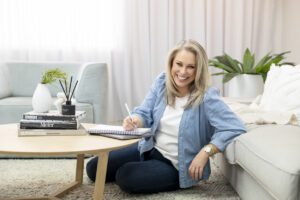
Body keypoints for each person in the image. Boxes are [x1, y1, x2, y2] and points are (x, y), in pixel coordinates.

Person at [86, 39, 246, 193]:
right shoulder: (162, 82)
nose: (183, 72)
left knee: (125, 176)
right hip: (149, 148)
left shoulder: (207, 96)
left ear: (199, 70)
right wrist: (135, 119)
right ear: (171, 63)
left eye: (191, 67)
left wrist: (206, 151)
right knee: (94, 168)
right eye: (179, 64)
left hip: (175, 165)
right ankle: (145, 166)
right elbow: (144, 112)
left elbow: (235, 127)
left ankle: (153, 172)